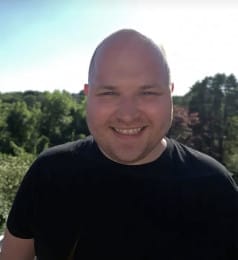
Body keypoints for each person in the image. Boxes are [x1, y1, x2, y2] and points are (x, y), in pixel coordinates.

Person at [1, 29, 237, 260]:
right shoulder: (48, 174)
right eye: (109, 93)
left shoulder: (215, 187)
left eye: (148, 93)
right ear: (88, 94)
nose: (127, 115)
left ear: (170, 93)